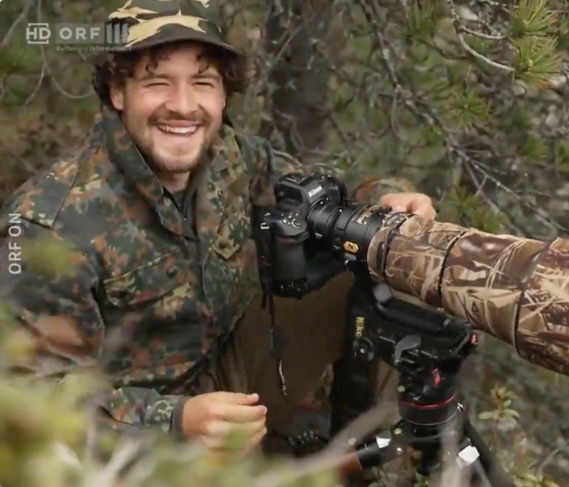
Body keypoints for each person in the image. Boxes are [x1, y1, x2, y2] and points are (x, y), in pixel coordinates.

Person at [0, 0, 436, 457]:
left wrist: (389, 198)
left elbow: (319, 194)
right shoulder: (48, 223)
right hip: (129, 442)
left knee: (380, 253)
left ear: (224, 94)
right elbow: (27, 401)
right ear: (117, 92)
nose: (184, 106)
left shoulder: (229, 156)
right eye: (157, 82)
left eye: (202, 83)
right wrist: (174, 421)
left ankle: (362, 453)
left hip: (225, 380)